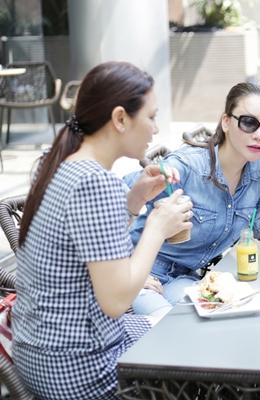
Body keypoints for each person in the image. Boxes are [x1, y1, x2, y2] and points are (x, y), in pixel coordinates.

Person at [12, 61, 193, 399]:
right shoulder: (96, 183)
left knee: (175, 326)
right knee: (193, 347)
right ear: (120, 118)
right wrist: (157, 228)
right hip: (81, 369)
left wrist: (135, 200)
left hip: (41, 353)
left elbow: (89, 246)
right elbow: (116, 300)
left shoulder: (60, 164)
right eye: (151, 117)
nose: (155, 129)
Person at [125, 82, 260, 317]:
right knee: (173, 327)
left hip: (186, 278)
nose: (259, 135)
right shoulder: (187, 166)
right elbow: (110, 203)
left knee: (225, 317)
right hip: (142, 275)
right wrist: (128, 271)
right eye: (248, 123)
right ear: (226, 122)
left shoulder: (259, 170)